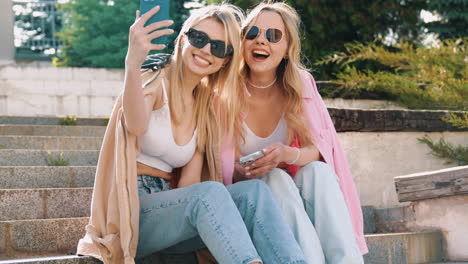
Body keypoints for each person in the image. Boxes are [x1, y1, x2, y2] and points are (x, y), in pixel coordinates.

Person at [76, 3, 308, 264]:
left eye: (218, 47)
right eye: (199, 38)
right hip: (131, 212)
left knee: (254, 193)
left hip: (172, 212)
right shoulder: (153, 80)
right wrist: (132, 64)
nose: (206, 50)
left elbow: (189, 187)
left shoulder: (205, 107)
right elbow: (135, 125)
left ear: (225, 61)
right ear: (183, 38)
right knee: (209, 193)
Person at [220, 2, 368, 264]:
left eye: (273, 35)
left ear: (288, 48)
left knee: (318, 172)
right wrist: (240, 171)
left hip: (292, 193)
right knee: (273, 179)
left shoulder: (300, 84)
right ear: (241, 41)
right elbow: (214, 166)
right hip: (249, 201)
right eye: (252, 33)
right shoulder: (223, 89)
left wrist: (287, 154)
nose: (261, 41)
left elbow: (318, 152)